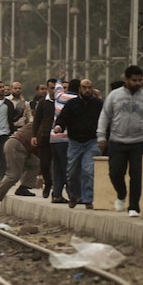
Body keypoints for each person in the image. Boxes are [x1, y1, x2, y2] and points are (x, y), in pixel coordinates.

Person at [97, 65, 143, 218]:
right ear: (126, 80)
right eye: (134, 80)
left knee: (137, 175)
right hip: (117, 141)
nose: (138, 83)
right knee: (115, 172)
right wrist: (101, 136)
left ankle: (134, 206)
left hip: (139, 142)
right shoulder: (114, 96)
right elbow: (105, 116)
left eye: (140, 80)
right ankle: (121, 194)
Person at [54, 79, 104, 208]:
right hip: (75, 142)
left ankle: (88, 199)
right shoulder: (72, 104)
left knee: (88, 170)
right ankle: (74, 195)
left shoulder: (98, 104)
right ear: (79, 89)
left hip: (92, 142)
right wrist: (59, 126)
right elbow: (63, 117)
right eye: (84, 87)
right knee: (72, 172)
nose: (87, 90)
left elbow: (106, 119)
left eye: (89, 87)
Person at [0, 123, 39, 213]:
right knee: (13, 175)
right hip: (17, 146)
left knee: (35, 163)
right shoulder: (42, 126)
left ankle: (24, 187)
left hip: (17, 145)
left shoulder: (36, 123)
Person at [31, 79, 57, 199]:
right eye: (51, 88)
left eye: (56, 88)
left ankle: (57, 189)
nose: (53, 91)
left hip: (59, 138)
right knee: (44, 164)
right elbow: (36, 120)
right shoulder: (42, 102)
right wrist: (34, 135)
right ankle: (48, 183)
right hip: (45, 136)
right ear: (47, 89)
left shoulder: (62, 102)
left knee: (58, 164)